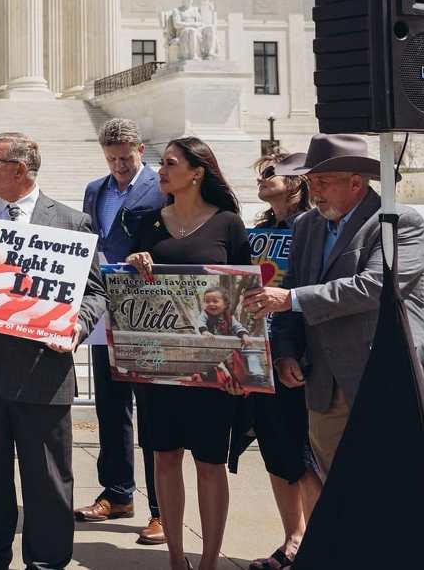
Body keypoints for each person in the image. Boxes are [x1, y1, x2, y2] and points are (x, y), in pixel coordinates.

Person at [249, 134, 424, 475]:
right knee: (335, 488)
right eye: (310, 181)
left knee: (389, 485)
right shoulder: (306, 225)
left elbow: (375, 287)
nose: (314, 191)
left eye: (323, 181)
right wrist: (285, 351)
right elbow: (292, 287)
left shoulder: (396, 221)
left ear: (355, 183)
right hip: (323, 382)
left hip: (382, 374)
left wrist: (291, 300)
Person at [0, 132, 106, 570]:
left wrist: (77, 326)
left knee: (47, 480)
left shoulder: (72, 223)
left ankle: (46, 562)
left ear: (19, 169)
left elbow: (96, 293)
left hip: (42, 370)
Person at [124, 137, 250, 570]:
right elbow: (127, 287)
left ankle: (210, 560)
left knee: (210, 462)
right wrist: (133, 262)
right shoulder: (146, 221)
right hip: (159, 365)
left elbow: (244, 296)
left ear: (196, 172)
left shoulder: (229, 224)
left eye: (170, 163)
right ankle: (177, 557)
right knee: (164, 457)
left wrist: (243, 366)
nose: (160, 170)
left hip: (212, 369)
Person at [75, 117, 165, 544]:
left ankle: (162, 509)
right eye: (111, 159)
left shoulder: (160, 187)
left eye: (126, 159)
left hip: (145, 309)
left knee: (151, 412)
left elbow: (173, 238)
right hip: (103, 309)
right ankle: (117, 493)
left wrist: (152, 256)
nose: (119, 166)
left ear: (141, 151)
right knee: (110, 406)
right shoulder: (96, 189)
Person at [231, 151, 322, 570]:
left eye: (270, 174)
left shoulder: (316, 226)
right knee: (276, 450)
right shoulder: (260, 231)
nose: (262, 180)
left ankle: (317, 541)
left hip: (301, 351)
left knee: (305, 453)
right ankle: (293, 537)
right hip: (258, 350)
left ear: (297, 181)